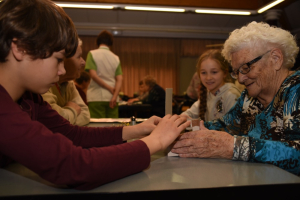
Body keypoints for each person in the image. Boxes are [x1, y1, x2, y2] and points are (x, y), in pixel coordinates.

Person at [0, 0, 190, 191]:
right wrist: (155, 141)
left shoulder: (29, 99)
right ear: (21, 48)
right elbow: (74, 166)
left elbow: (72, 134)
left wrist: (137, 130)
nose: (62, 70)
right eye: (58, 60)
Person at [172, 21, 300, 175]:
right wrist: (180, 128)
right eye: (237, 71)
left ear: (276, 58)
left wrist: (235, 147)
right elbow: (224, 125)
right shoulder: (249, 99)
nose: (240, 79)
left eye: (246, 68)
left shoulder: (296, 91)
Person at [181, 49, 241, 121]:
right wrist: (181, 118)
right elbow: (189, 113)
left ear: (225, 73)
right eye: (203, 73)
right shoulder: (207, 94)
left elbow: (233, 128)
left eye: (214, 72)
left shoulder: (231, 95)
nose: (208, 78)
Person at [42, 38, 90, 126]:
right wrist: (73, 110)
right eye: (79, 57)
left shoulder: (69, 83)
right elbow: (53, 121)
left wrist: (66, 116)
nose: (83, 62)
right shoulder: (43, 83)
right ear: (64, 59)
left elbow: (85, 114)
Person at [85, 30, 123, 118]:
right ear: (111, 43)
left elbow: (93, 76)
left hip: (96, 96)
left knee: (98, 128)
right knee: (113, 128)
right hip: (112, 97)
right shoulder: (116, 58)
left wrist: (108, 88)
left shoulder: (92, 54)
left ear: (97, 41)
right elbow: (120, 79)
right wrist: (115, 96)